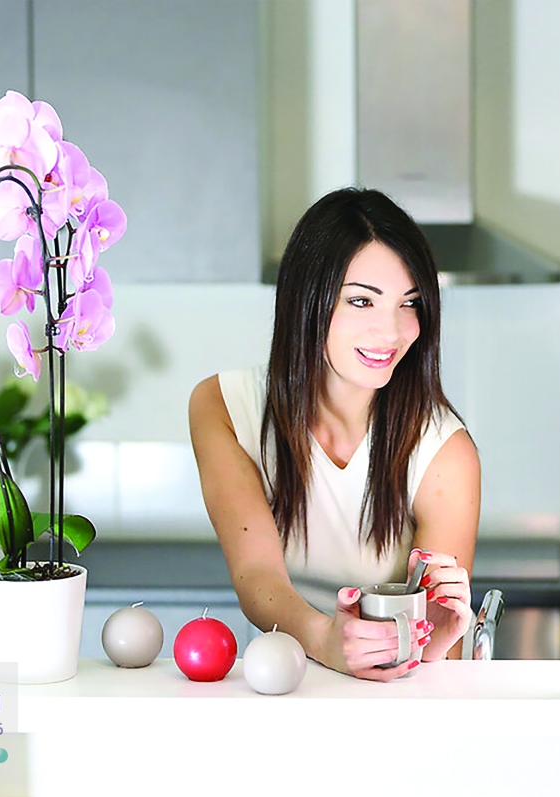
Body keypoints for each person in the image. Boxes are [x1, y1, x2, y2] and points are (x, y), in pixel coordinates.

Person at [189, 188, 480, 681]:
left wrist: (434, 640)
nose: (391, 332)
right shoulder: (224, 407)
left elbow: (433, 646)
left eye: (409, 303)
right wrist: (326, 639)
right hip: (281, 683)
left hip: (394, 693)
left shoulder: (445, 451)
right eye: (362, 301)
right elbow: (257, 575)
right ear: (308, 300)